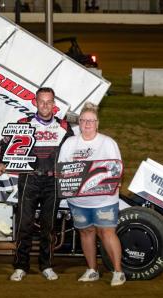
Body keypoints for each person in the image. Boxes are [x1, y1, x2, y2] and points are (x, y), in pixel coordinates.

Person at [0, 87, 73, 281]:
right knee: (24, 224)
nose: (45, 105)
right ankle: (21, 266)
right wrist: (1, 162)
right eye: (42, 102)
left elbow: (73, 151)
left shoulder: (63, 126)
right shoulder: (24, 124)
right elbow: (4, 144)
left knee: (49, 227)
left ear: (54, 104)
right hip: (29, 178)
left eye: (49, 102)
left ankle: (46, 265)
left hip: (53, 181)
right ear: (35, 103)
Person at [58, 102, 126, 286]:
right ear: (78, 123)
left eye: (91, 121)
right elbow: (62, 170)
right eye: (84, 121)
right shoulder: (70, 143)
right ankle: (92, 270)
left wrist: (115, 180)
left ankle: (118, 271)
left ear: (97, 123)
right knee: (86, 232)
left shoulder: (108, 143)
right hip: (78, 201)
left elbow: (116, 169)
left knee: (106, 232)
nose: (87, 124)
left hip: (104, 200)